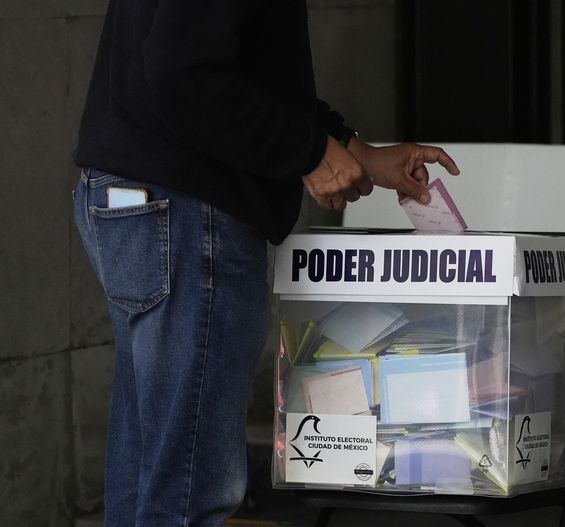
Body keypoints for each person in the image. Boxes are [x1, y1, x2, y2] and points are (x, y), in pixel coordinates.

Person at [72, 1, 459, 526]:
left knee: (151, 471)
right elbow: (185, 74)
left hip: (139, 199)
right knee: (186, 488)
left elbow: (238, 68)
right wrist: (308, 152)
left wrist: (352, 149)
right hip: (189, 209)